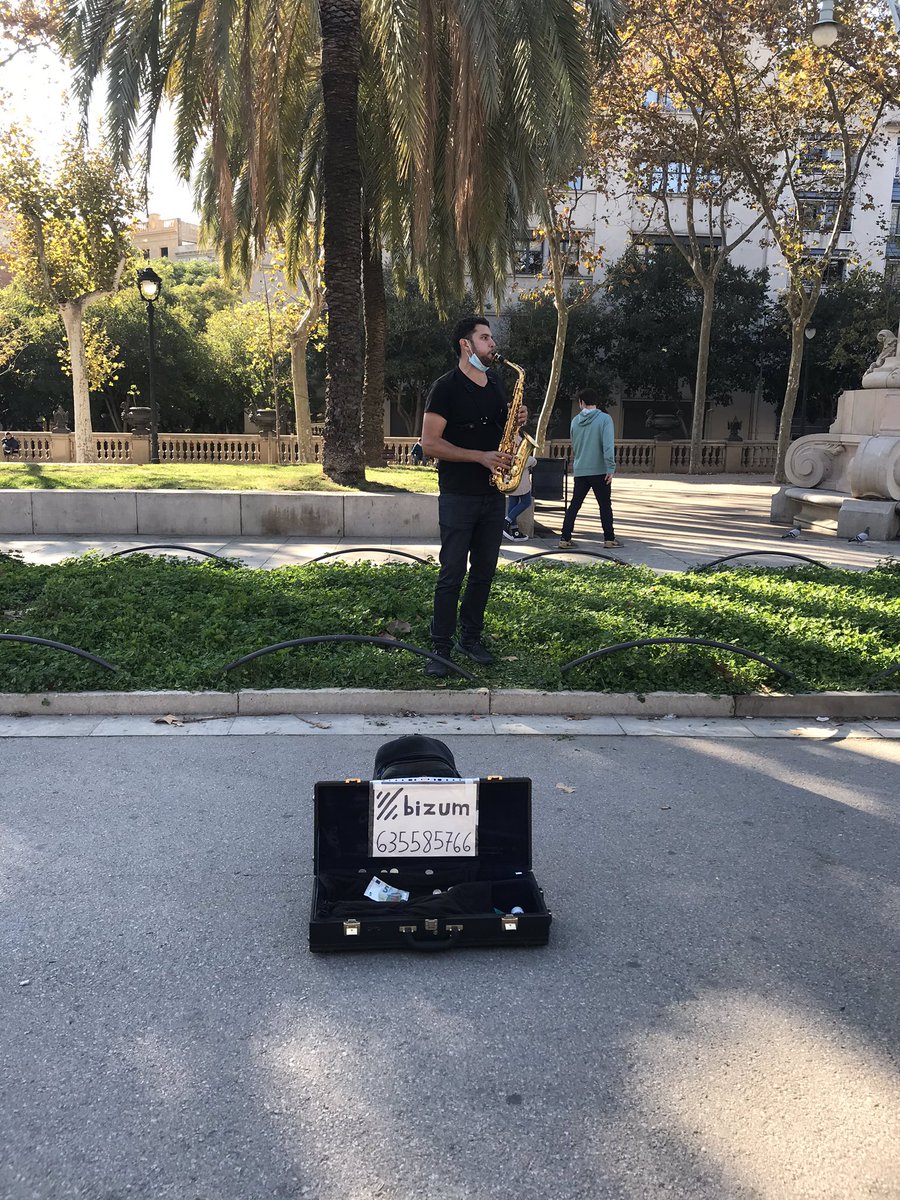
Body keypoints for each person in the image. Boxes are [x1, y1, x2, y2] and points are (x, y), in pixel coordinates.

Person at [421, 315, 520, 678]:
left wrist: (515, 417)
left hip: (493, 493)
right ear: (466, 344)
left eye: (491, 338)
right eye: (485, 337)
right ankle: (440, 647)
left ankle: (470, 638)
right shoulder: (444, 388)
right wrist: (479, 456)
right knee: (451, 572)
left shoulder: (495, 382)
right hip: (459, 493)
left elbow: (497, 428)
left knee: (483, 572)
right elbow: (430, 443)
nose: (492, 344)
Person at [558, 389, 623, 549]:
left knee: (574, 505)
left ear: (581, 402)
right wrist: (610, 467)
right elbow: (608, 445)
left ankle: (565, 539)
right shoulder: (605, 419)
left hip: (581, 469)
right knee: (604, 505)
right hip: (600, 470)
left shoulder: (574, 421)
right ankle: (609, 538)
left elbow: (575, 445)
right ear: (596, 402)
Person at [503, 428, 537, 541]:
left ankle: (514, 530)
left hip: (515, 475)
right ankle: (506, 522)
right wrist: (533, 461)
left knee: (513, 502)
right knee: (526, 501)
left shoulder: (513, 435)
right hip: (519, 475)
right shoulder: (512, 438)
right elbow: (518, 459)